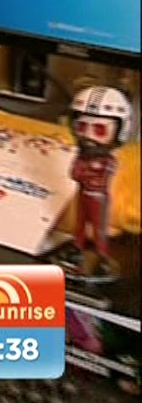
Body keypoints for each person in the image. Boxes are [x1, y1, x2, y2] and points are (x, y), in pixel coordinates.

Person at [63, 85, 133, 278]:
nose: (88, 136)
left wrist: (85, 173)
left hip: (98, 197)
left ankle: (102, 255)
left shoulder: (108, 161)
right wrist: (85, 173)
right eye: (82, 127)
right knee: (79, 222)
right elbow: (74, 174)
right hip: (82, 193)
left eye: (99, 130)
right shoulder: (82, 157)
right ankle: (77, 247)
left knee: (98, 227)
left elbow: (98, 177)